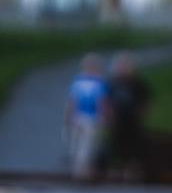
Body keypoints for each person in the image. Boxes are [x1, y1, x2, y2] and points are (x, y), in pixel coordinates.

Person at [64, 53, 110, 180]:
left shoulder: (80, 80)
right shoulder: (97, 81)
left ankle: (79, 171)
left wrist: (68, 115)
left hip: (86, 116)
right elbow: (101, 101)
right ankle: (80, 171)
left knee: (82, 144)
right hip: (86, 116)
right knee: (84, 145)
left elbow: (73, 100)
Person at [107, 51, 151, 180]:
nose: (124, 68)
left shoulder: (138, 83)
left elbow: (146, 102)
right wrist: (109, 115)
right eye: (121, 65)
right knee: (116, 145)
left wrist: (142, 115)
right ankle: (116, 171)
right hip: (117, 120)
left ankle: (132, 172)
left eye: (126, 65)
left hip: (133, 120)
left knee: (135, 146)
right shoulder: (113, 83)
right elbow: (106, 101)